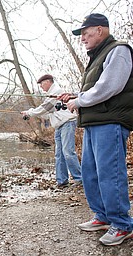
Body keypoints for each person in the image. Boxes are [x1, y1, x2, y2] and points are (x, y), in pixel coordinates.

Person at [59, 13, 133, 246]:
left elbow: (110, 86)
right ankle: (103, 216)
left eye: (85, 33)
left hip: (110, 122)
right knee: (90, 173)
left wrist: (78, 101)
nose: (82, 38)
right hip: (94, 122)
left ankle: (122, 224)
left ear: (99, 30)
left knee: (110, 173)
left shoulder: (119, 50)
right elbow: (95, 89)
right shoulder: (98, 56)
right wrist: (75, 96)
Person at [21, 74, 82, 188]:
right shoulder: (51, 95)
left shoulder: (57, 92)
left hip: (67, 123)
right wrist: (29, 114)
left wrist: (30, 112)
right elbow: (46, 114)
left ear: (48, 82)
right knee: (59, 154)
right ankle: (62, 181)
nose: (41, 87)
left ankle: (79, 179)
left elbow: (44, 108)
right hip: (58, 126)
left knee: (68, 152)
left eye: (42, 84)